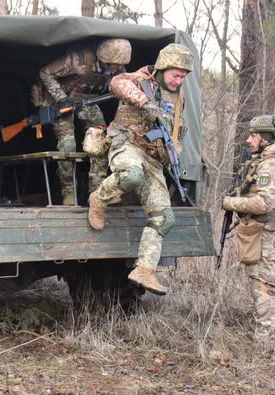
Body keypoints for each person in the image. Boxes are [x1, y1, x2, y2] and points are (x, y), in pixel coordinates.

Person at [87, 43, 193, 295]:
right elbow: (117, 84)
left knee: (164, 217)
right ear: (163, 67)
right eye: (175, 75)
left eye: (183, 77)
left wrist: (172, 153)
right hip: (127, 145)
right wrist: (146, 103)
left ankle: (144, 269)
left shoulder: (179, 97)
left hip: (153, 157)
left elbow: (177, 131)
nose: (179, 81)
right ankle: (98, 199)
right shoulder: (139, 78)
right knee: (131, 176)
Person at [221, 114, 275, 361]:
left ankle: (263, 352)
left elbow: (264, 202)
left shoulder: (273, 164)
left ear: (266, 138)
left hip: (267, 235)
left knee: (264, 290)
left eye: (253, 135)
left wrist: (229, 202)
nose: (248, 140)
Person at [33, 38, 132, 205]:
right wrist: (61, 98)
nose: (117, 67)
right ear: (103, 58)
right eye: (113, 64)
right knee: (68, 144)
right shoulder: (78, 60)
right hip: (60, 103)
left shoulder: (119, 68)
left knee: (100, 141)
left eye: (119, 64)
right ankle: (68, 193)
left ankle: (97, 193)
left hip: (88, 100)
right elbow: (45, 73)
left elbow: (123, 83)